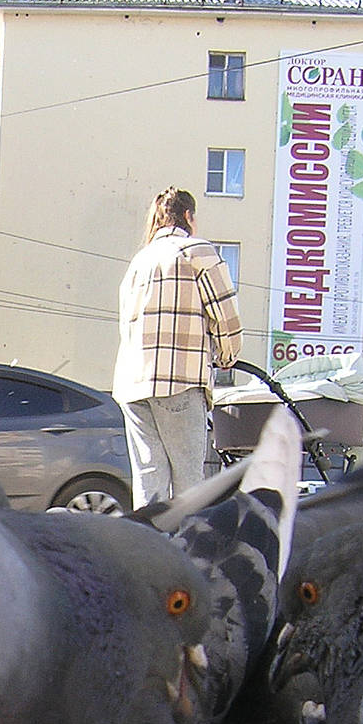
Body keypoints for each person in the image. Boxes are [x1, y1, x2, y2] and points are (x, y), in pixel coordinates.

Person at [113, 187, 243, 505]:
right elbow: (226, 314)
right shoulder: (196, 251)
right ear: (189, 216)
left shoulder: (139, 262)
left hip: (133, 387)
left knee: (149, 483)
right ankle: (184, 552)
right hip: (178, 382)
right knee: (188, 485)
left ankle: (148, 550)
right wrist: (227, 355)